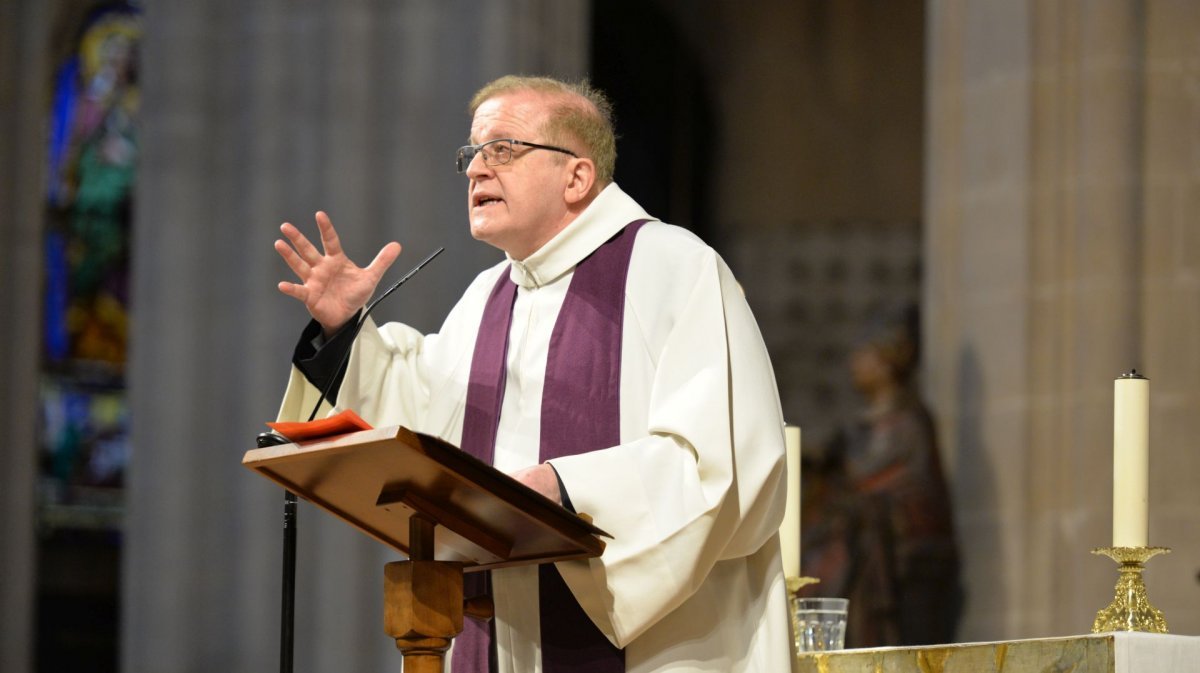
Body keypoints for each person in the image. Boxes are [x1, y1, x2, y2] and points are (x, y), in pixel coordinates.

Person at [272, 75, 793, 673]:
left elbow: (725, 467)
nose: (474, 171)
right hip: (501, 635)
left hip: (656, 648)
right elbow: (417, 423)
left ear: (577, 176)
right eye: (471, 154)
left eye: (503, 150)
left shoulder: (675, 267)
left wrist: (566, 490)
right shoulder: (488, 294)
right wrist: (344, 335)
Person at [799, 305, 962, 647]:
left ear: (886, 361)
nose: (854, 364)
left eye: (863, 355)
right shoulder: (854, 430)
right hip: (859, 539)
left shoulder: (910, 422)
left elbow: (895, 482)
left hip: (900, 553)